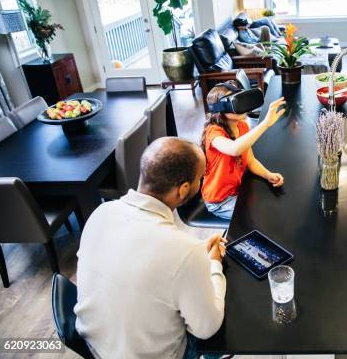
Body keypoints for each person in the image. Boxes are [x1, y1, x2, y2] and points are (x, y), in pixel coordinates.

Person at [75, 137, 227, 359]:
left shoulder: (101, 213)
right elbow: (207, 328)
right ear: (184, 190)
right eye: (201, 178)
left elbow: (140, 262)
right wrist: (213, 264)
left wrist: (195, 256)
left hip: (96, 348)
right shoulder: (185, 251)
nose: (201, 183)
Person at [201, 84, 286, 219]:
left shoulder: (242, 126)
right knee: (260, 216)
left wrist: (268, 175)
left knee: (273, 205)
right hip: (220, 201)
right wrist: (265, 124)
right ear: (221, 109)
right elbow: (234, 149)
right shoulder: (213, 133)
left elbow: (250, 161)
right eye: (237, 101)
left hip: (238, 189)